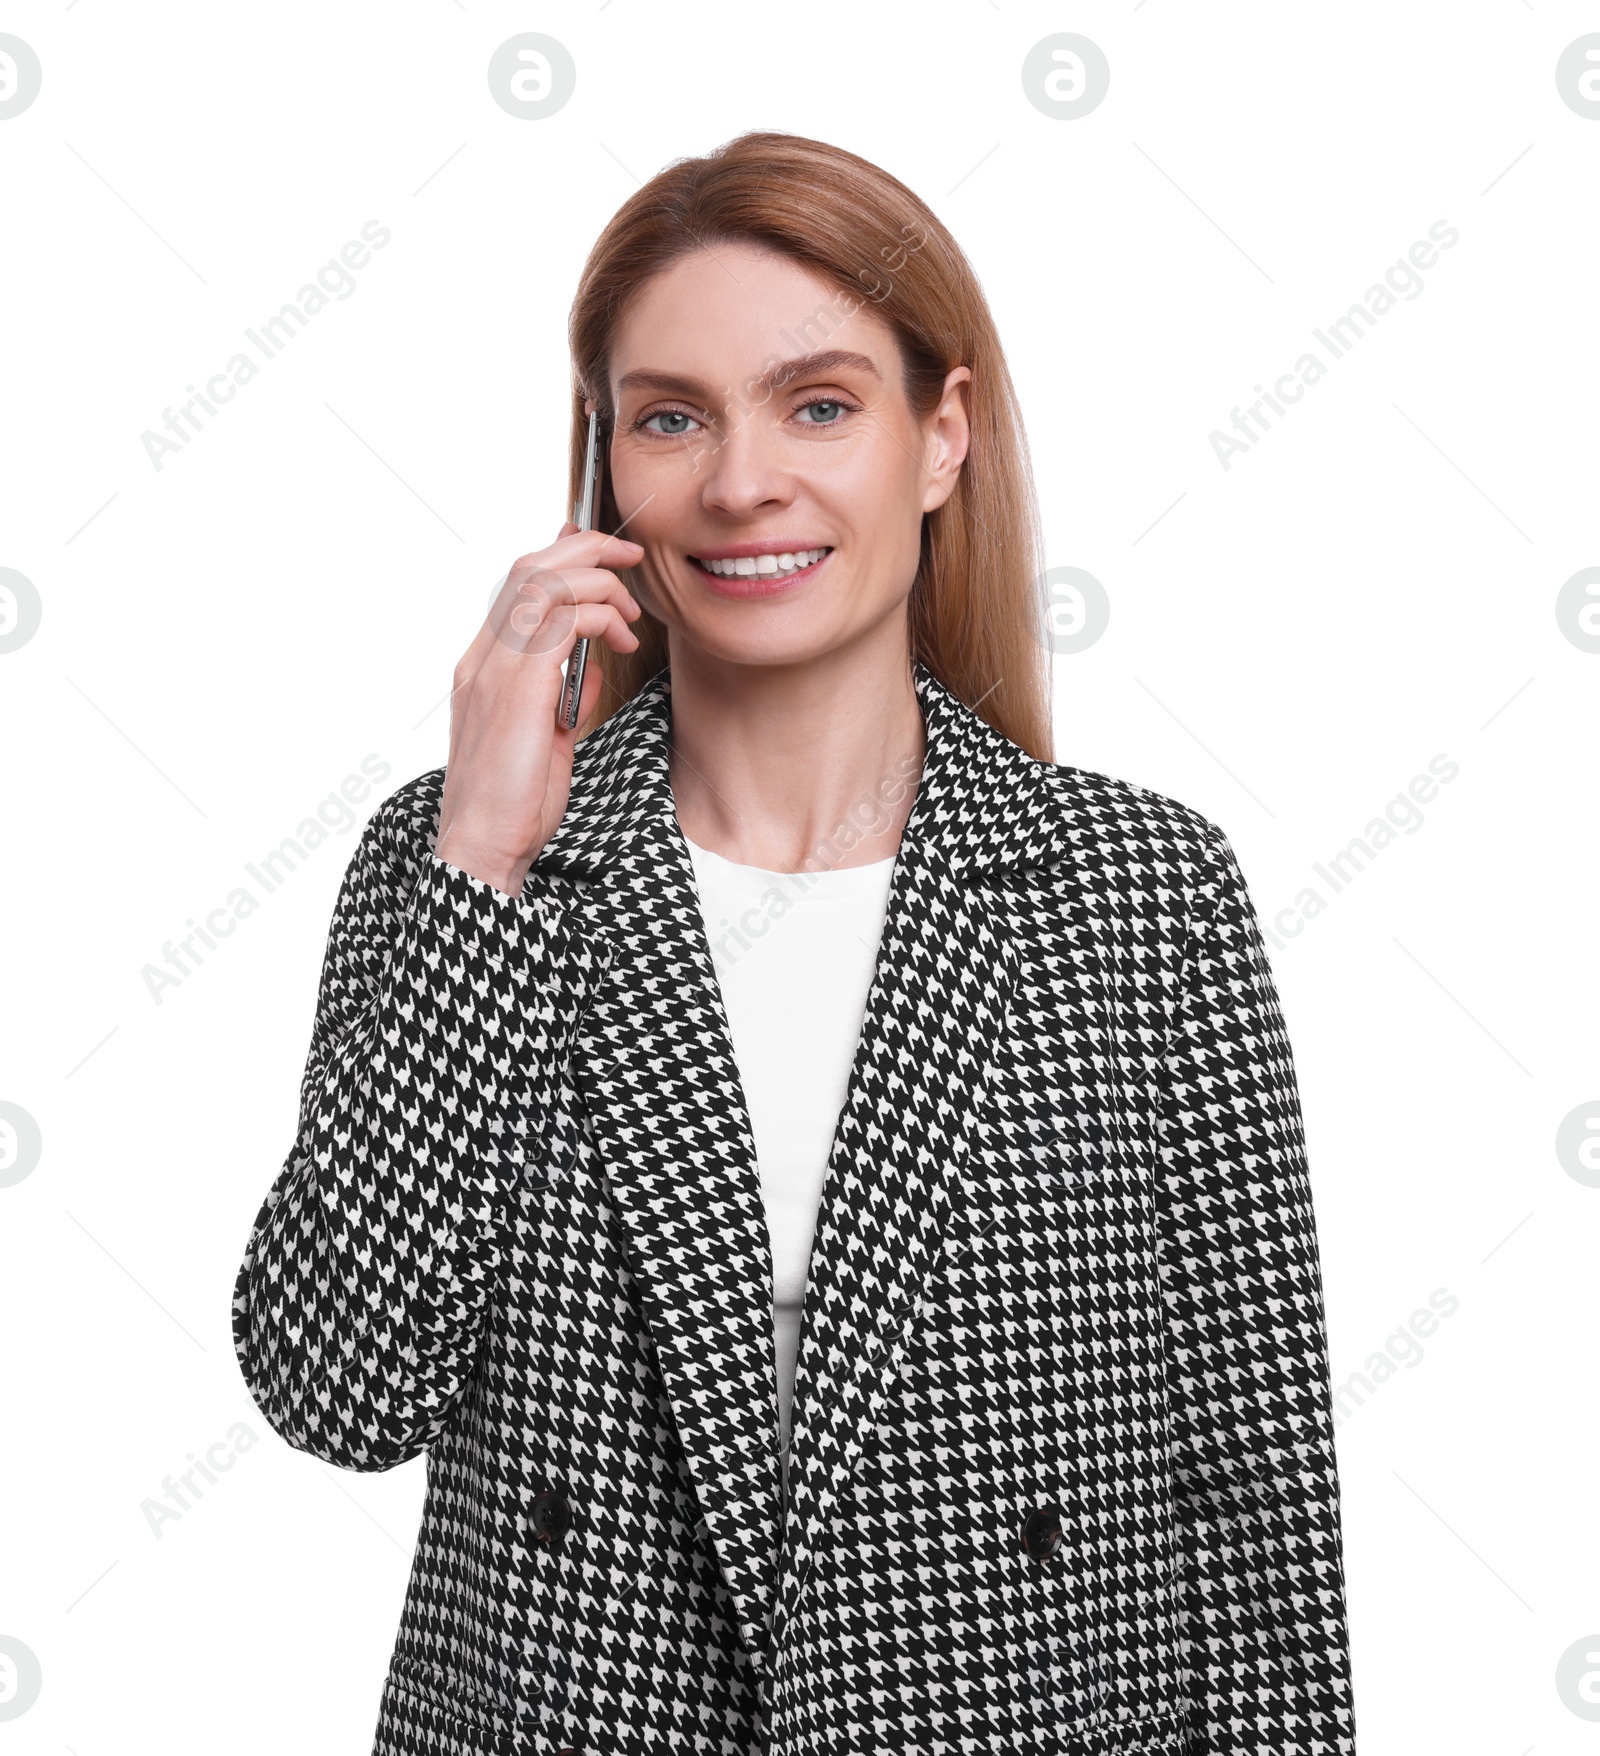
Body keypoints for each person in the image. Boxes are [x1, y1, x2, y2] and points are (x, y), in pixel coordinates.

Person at [232, 130, 1357, 1756]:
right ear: (609, 465)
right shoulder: (468, 859)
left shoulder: (1140, 889)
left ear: (940, 437)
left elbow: (1257, 1508)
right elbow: (340, 1392)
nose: (741, 480)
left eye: (818, 405)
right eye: (671, 418)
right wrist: (481, 852)